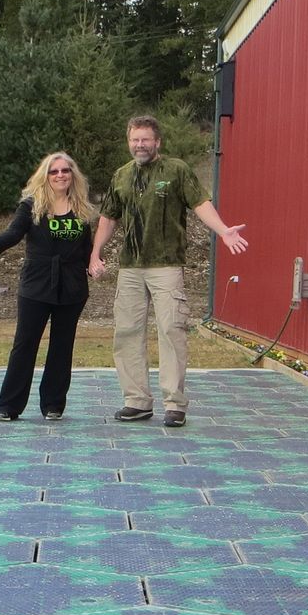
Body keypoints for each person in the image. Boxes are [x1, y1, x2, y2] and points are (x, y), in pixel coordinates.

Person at [89, 115, 248, 427]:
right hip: (131, 267)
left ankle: (174, 405)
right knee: (127, 333)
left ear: (157, 142)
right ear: (129, 142)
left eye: (145, 139)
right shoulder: (121, 175)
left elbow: (201, 204)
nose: (140, 145)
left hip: (166, 266)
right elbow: (108, 218)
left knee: (171, 332)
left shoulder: (176, 170)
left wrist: (223, 231)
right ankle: (136, 401)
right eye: (135, 139)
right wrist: (95, 252)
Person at [0, 151, 96, 421]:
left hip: (72, 287)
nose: (60, 175)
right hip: (36, 284)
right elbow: (13, 233)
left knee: (62, 346)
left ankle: (53, 405)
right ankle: (9, 406)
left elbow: (86, 247)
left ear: (73, 175)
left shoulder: (82, 208)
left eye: (65, 170)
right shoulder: (31, 205)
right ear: (46, 176)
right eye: (54, 171)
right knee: (25, 344)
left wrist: (94, 263)